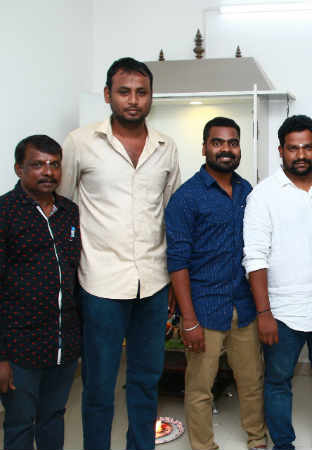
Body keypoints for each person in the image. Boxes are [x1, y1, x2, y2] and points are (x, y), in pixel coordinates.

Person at [58, 57, 181, 450]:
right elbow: (63, 208)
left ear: (151, 97)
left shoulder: (166, 147)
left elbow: (171, 212)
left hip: (153, 283)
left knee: (146, 380)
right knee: (98, 384)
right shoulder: (80, 143)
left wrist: (174, 280)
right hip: (100, 284)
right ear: (108, 95)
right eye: (124, 91)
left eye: (141, 92)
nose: (133, 100)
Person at [165, 117, 267, 450]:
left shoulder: (246, 191)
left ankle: (257, 439)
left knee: (252, 382)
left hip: (244, 305)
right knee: (200, 388)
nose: (226, 149)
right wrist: (188, 320)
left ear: (239, 148)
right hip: (205, 308)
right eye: (217, 142)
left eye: (232, 143)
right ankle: (203, 446)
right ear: (204, 147)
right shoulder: (186, 197)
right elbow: (177, 263)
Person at [243, 115, 312, 450]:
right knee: (278, 380)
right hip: (282, 310)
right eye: (293, 148)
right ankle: (283, 443)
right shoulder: (263, 196)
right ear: (281, 151)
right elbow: (255, 257)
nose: (301, 155)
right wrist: (264, 314)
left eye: (307, 147)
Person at [0, 135, 81, 450]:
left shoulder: (69, 212)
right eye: (37, 165)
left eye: (54, 164)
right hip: (19, 347)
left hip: (63, 344)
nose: (48, 172)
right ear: (19, 169)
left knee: (54, 417)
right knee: (20, 423)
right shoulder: (5, 213)